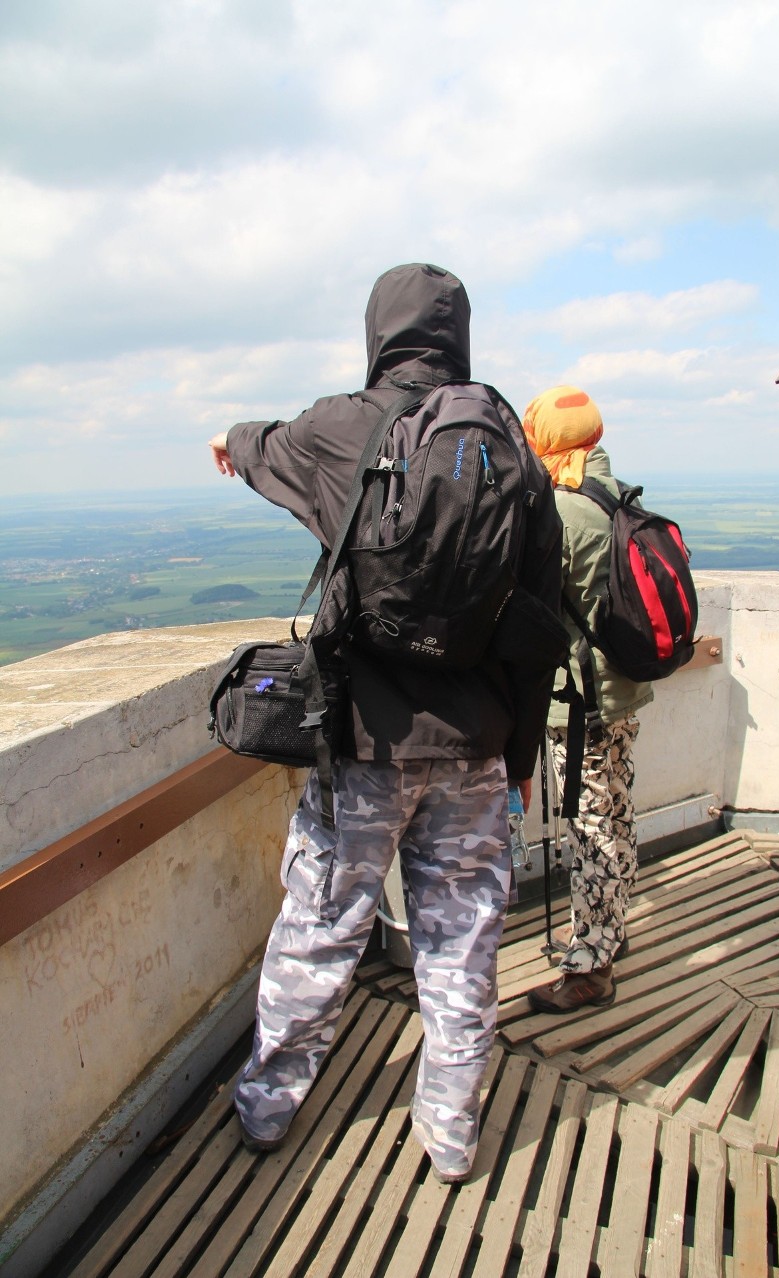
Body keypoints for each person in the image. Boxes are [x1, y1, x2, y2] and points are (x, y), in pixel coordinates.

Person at [208, 263, 562, 1182]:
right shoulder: (513, 451)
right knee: (462, 942)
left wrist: (231, 440)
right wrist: (519, 759)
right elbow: (539, 628)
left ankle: (266, 1108)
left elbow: (263, 447)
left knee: (320, 928)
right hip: (479, 750)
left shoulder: (342, 428)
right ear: (460, 338)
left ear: (380, 332)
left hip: (364, 748)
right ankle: (450, 1135)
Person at [521, 386, 652, 1014]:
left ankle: (591, 966)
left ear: (545, 439)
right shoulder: (617, 492)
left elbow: (532, 612)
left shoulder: (562, 512)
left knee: (591, 828)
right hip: (620, 690)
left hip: (580, 706)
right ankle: (609, 931)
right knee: (615, 813)